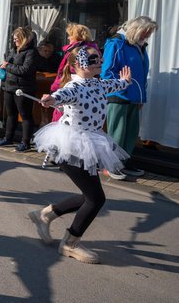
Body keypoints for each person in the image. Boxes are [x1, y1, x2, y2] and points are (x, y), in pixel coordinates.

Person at [30, 46, 132, 264]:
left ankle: (45, 215)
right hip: (71, 146)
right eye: (92, 59)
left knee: (90, 196)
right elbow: (61, 95)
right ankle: (69, 244)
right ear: (77, 65)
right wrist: (50, 99)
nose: (98, 61)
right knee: (96, 198)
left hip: (91, 142)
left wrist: (125, 82)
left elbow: (114, 85)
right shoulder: (74, 86)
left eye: (99, 58)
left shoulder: (98, 83)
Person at [101, 16, 158, 180]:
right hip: (119, 95)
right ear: (136, 30)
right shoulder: (116, 43)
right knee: (117, 133)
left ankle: (123, 162)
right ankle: (110, 165)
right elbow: (107, 71)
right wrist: (119, 88)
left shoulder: (139, 46)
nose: (147, 36)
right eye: (145, 32)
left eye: (149, 33)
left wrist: (141, 97)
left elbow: (141, 74)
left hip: (133, 97)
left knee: (131, 133)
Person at [0, 27, 38, 152]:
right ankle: (8, 137)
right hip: (9, 86)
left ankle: (25, 142)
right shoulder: (13, 50)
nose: (14, 41)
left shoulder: (31, 52)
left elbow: (25, 70)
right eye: (14, 39)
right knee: (10, 114)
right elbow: (8, 65)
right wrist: (3, 66)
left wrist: (8, 66)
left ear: (23, 39)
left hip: (23, 88)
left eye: (16, 39)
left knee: (25, 115)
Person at [49, 23, 100, 122]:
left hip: (71, 89)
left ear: (77, 36)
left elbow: (67, 71)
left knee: (66, 120)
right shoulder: (92, 50)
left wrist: (55, 88)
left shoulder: (78, 51)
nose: (68, 37)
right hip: (87, 91)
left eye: (70, 35)